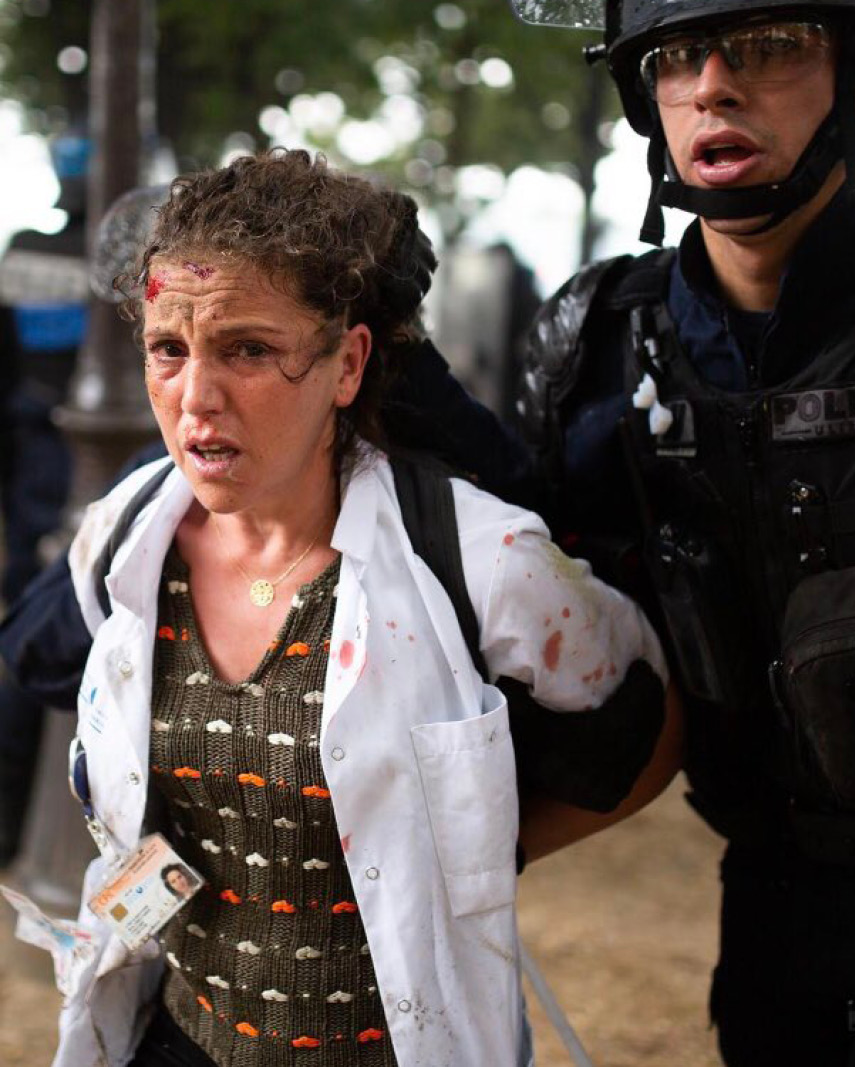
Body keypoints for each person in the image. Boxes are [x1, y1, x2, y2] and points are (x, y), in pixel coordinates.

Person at [506, 1, 855, 1064]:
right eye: (676, 60)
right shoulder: (604, 350)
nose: (712, 86)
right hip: (772, 914)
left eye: (766, 49)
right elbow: (516, 571)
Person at [51, 149, 674, 1067]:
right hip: (176, 1037)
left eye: (249, 348)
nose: (196, 397)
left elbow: (647, 728)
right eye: (168, 348)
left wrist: (471, 864)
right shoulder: (120, 537)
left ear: (347, 363)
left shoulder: (482, 561)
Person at [0, 134, 90, 866]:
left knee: (28, 635)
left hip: (34, 467)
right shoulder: (128, 261)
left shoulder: (24, 250)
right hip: (70, 468)